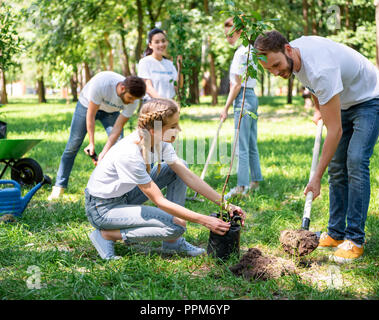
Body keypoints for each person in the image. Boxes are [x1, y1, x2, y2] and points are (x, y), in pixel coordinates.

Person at [254, 31, 379, 263]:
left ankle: (355, 239)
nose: (276, 73)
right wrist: (318, 109)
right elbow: (314, 87)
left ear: (288, 49)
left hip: (370, 99)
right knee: (337, 166)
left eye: (277, 65)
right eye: (270, 70)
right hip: (345, 100)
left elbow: (334, 130)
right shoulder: (294, 57)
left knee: (355, 161)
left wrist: (316, 177)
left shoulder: (320, 68)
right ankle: (336, 234)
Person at [84, 98, 246, 260]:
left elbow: (187, 176)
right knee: (177, 225)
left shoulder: (158, 141)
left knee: (179, 167)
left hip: (123, 196)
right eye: (173, 126)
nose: (179, 130)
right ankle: (107, 235)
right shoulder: (130, 154)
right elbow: (159, 201)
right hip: (102, 209)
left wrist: (225, 204)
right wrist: (205, 220)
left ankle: (173, 243)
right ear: (155, 129)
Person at [48, 71, 146, 201]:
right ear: (122, 88)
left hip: (111, 113)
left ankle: (117, 191)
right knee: (73, 145)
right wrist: (91, 143)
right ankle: (59, 187)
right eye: (129, 98)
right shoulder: (102, 83)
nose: (131, 102)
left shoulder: (133, 100)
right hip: (86, 106)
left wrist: (104, 152)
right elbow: (91, 116)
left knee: (119, 148)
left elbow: (117, 128)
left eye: (134, 100)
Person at [220, 17, 264, 199]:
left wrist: (225, 108)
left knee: (242, 145)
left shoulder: (241, 52)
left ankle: (242, 186)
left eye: (231, 35)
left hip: (243, 97)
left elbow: (236, 85)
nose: (228, 39)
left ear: (240, 32)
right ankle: (256, 181)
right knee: (251, 142)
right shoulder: (250, 50)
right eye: (226, 36)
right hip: (252, 97)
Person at [137, 28, 182, 100]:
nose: (161, 44)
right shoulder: (145, 62)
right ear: (150, 45)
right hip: (152, 105)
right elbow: (148, 88)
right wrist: (163, 102)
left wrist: (180, 68)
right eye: (157, 42)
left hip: (170, 106)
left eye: (163, 41)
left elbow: (177, 87)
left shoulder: (170, 64)